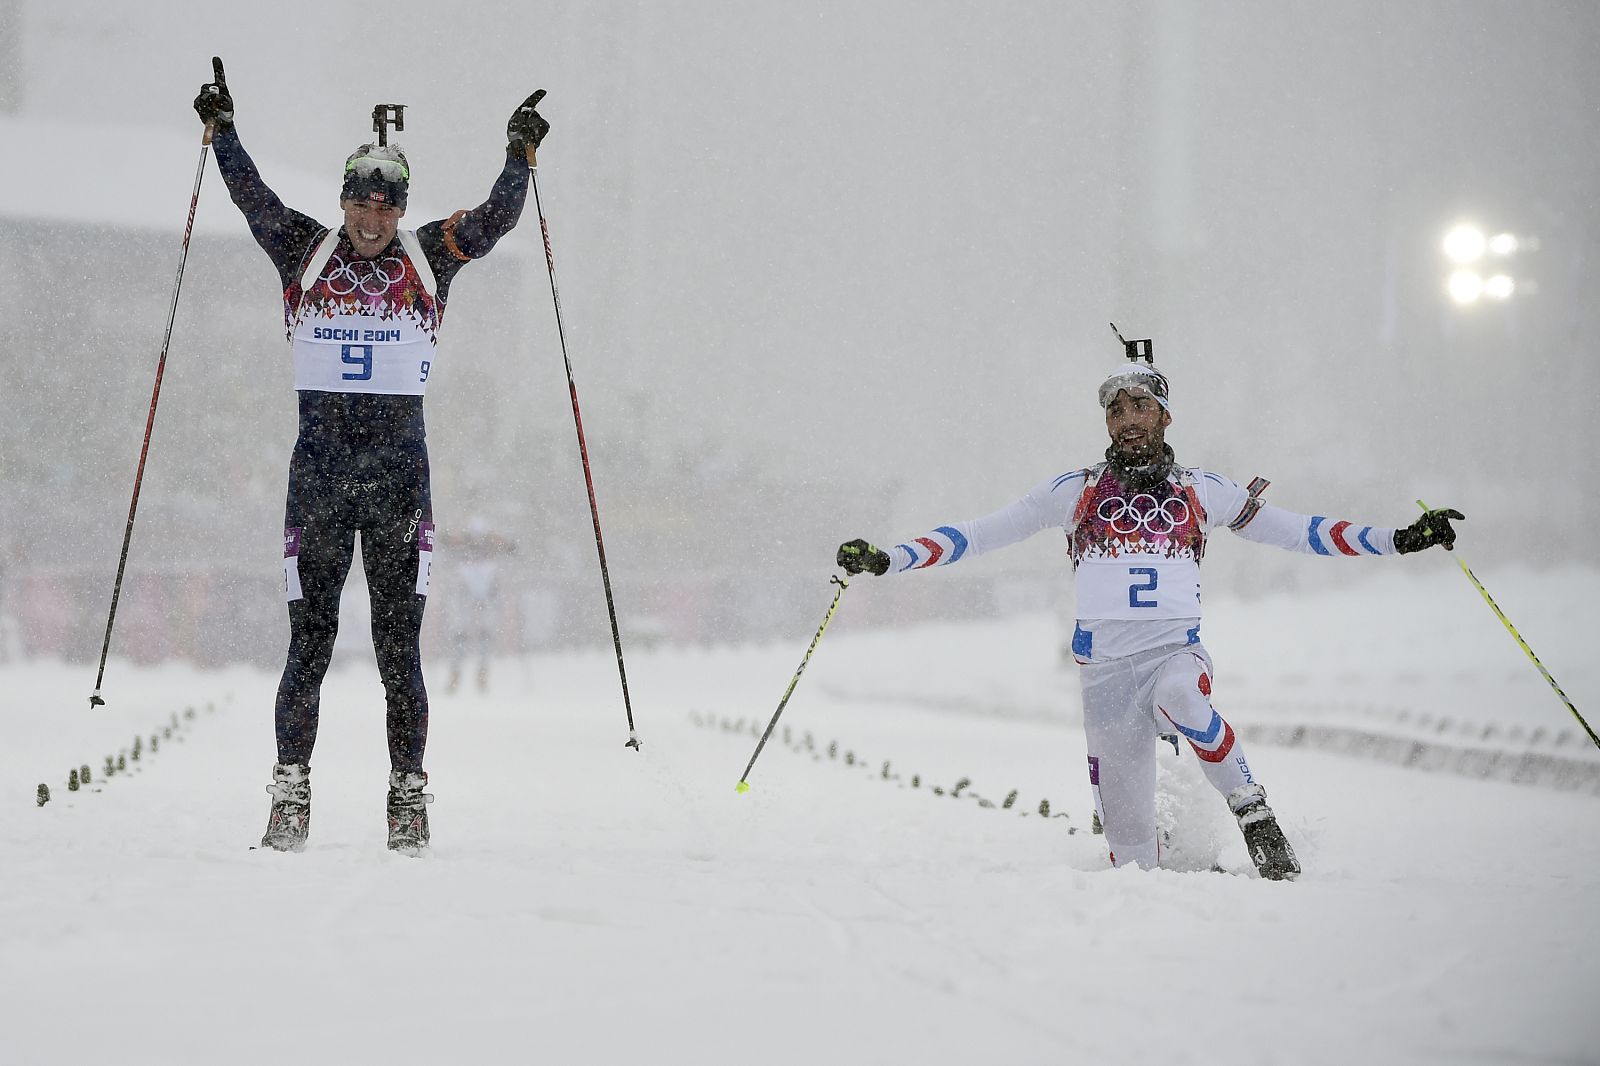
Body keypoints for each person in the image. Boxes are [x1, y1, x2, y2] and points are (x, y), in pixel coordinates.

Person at [836, 344, 1463, 880]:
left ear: (1164, 414)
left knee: (1184, 697)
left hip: (1173, 655)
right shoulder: (1075, 492)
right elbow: (978, 534)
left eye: (1140, 405)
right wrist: (888, 560)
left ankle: (1253, 812)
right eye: (1115, 409)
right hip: (1105, 678)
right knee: (1133, 864)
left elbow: (1301, 531)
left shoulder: (1201, 490)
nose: (1127, 419)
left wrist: (1399, 539)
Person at [193, 58, 549, 854]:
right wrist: (224, 133)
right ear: (344, 201)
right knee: (309, 644)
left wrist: (517, 155)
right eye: (361, 201)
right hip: (318, 480)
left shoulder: (429, 255)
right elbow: (251, 196)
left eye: (386, 204)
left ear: (401, 209)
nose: (372, 217)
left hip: (399, 485)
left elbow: (496, 220)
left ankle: (407, 799)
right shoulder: (304, 250)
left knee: (399, 651)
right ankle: (290, 796)